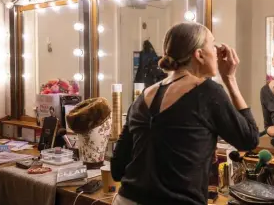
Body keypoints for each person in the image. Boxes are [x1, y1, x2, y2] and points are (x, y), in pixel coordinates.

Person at [111, 22, 259, 205]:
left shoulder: (143, 97)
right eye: (212, 45)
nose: (217, 52)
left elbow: (117, 169)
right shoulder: (208, 92)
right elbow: (249, 139)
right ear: (199, 55)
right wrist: (230, 78)